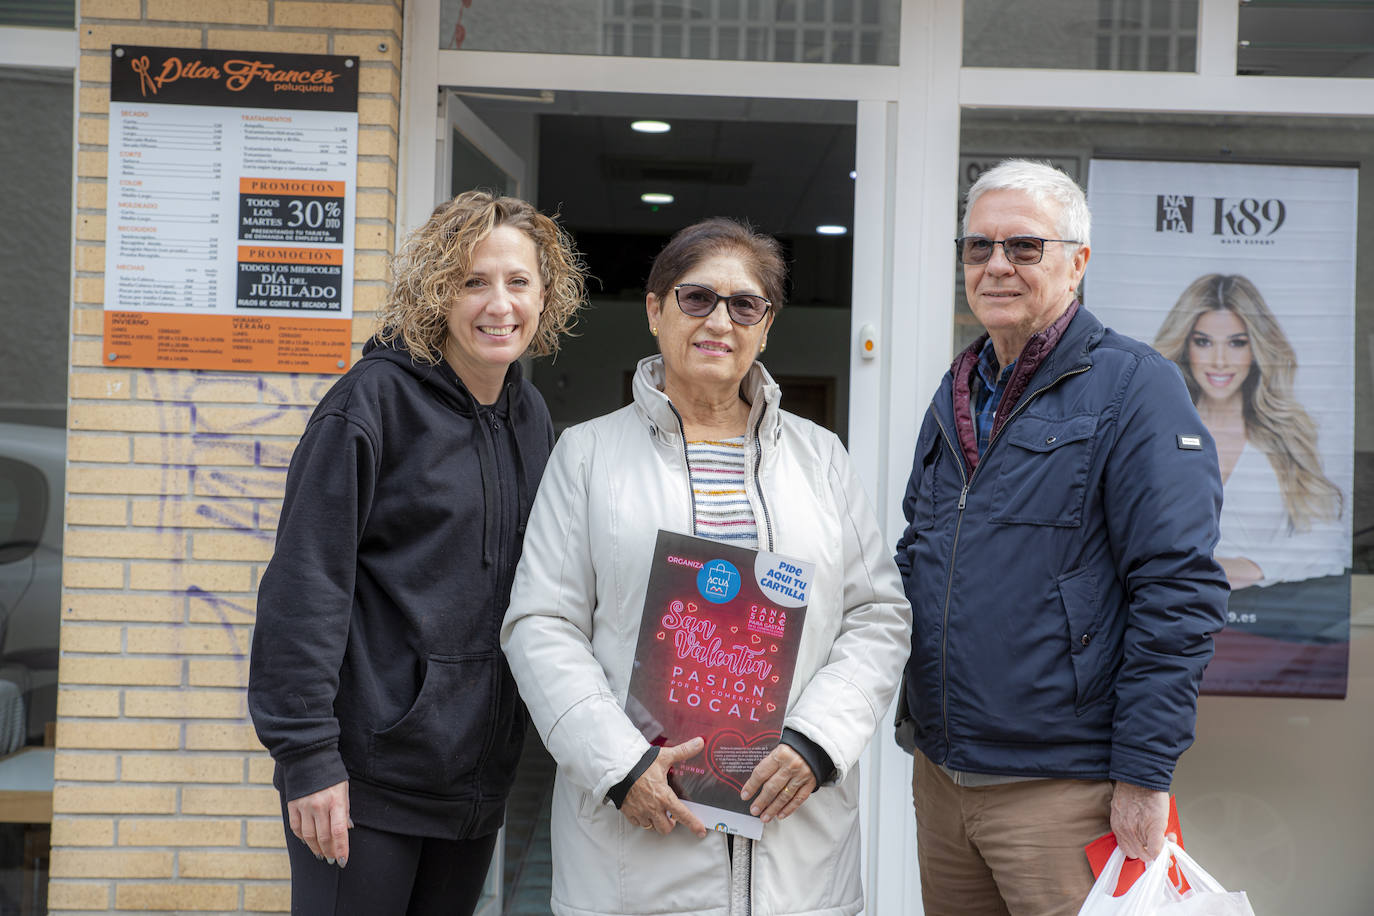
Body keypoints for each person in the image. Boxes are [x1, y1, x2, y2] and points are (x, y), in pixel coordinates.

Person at [501, 217, 911, 916]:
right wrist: (619, 766)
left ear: (766, 326)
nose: (720, 320)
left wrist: (817, 743)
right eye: (697, 298)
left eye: (745, 304)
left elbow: (877, 615)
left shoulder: (823, 460)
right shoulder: (588, 456)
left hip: (795, 850)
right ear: (656, 311)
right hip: (641, 845)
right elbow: (541, 624)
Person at [893, 159, 1229, 916]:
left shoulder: (1136, 387)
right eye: (978, 248)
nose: (996, 266)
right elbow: (917, 553)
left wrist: (1145, 774)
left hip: (1065, 791)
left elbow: (1178, 589)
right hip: (944, 779)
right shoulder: (957, 390)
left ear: (1077, 261)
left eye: (1024, 247)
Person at [248, 190, 587, 915]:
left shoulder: (528, 415)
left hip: (472, 783)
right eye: (474, 281)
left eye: (518, 282)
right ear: (437, 290)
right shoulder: (371, 404)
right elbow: (304, 586)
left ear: (545, 295)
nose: (499, 304)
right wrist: (307, 758)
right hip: (366, 781)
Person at [1153, 274, 1344, 590]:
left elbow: (1330, 540)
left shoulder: (1285, 437)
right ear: (1186, 345)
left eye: (1236, 343)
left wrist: (1254, 566)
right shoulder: (1155, 430)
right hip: (1166, 614)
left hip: (1266, 625)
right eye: (1203, 341)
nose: (1219, 361)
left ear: (1256, 348)